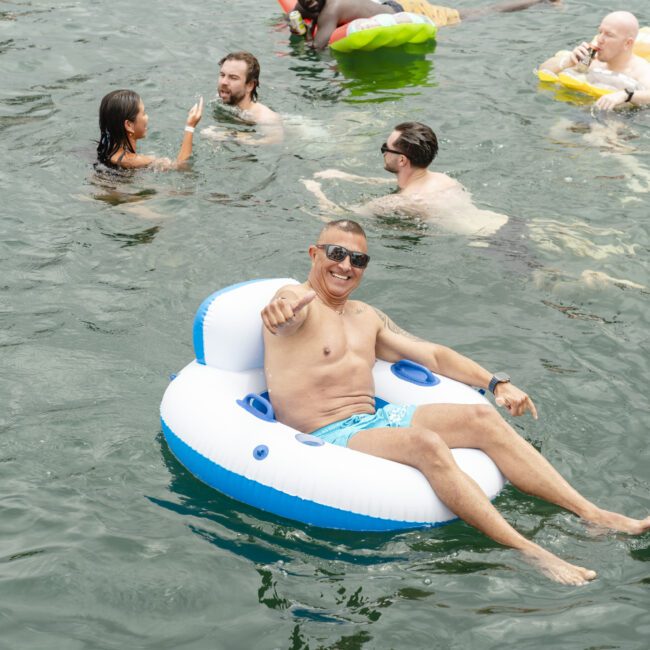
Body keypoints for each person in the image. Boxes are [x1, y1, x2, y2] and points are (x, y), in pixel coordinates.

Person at [261, 219, 650, 585]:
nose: (346, 265)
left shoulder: (365, 317)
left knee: (481, 417)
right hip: (326, 433)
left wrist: (496, 383)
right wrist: (281, 309)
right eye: (336, 253)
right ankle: (531, 550)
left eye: (358, 259)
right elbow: (283, 310)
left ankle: (592, 514)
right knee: (425, 442)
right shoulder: (298, 303)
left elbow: (433, 356)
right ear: (314, 254)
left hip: (373, 419)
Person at [303, 122, 509, 238]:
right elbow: (405, 185)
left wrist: (313, 190)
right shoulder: (443, 180)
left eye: (386, 148)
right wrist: (349, 177)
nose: (383, 152)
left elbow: (336, 217)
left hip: (491, 244)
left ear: (402, 160)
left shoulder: (396, 202)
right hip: (507, 223)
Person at [292, 0, 559, 51]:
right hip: (394, 3)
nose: (311, 3)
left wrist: (302, 37)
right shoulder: (306, 3)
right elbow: (295, 14)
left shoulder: (332, 7)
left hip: (406, 10)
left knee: (478, 13)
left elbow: (318, 47)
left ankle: (541, 0)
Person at [539, 11, 650, 111]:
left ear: (627, 43)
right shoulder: (590, 60)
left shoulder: (641, 70)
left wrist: (626, 95)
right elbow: (543, 70)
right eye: (600, 32)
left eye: (609, 35)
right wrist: (569, 61)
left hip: (623, 118)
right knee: (555, 132)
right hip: (581, 109)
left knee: (600, 133)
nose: (599, 39)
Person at [96, 89, 203, 170]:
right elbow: (180, 166)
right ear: (129, 125)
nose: (147, 117)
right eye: (144, 113)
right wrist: (190, 126)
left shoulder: (105, 152)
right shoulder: (135, 160)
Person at [201, 51, 283, 144]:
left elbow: (275, 140)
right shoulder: (219, 102)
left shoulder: (265, 117)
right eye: (222, 75)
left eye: (233, 77)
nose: (224, 82)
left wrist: (228, 135)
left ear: (250, 85)